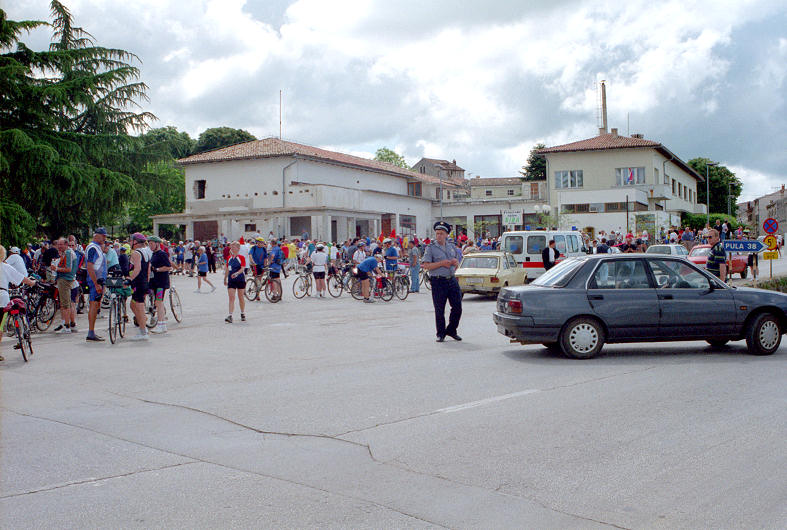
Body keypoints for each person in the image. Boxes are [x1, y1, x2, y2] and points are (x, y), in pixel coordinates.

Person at [422, 221, 463, 342]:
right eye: (437, 233)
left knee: (457, 307)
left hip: (451, 280)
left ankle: (451, 329)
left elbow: (458, 260)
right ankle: (440, 333)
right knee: (439, 309)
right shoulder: (430, 248)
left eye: (441, 233)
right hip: (438, 281)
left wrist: (456, 263)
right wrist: (441, 263)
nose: (438, 235)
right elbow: (425, 265)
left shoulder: (451, 246)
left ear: (446, 235)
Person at [0, 245, 38, 362]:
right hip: (2, 297)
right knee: (0, 325)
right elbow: (21, 278)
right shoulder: (4, 266)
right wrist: (32, 283)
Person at [85, 228, 109, 342]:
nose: (105, 238)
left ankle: (92, 331)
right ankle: (91, 332)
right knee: (94, 304)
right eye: (103, 236)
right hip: (96, 281)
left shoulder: (97, 248)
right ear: (96, 236)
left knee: (95, 304)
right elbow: (90, 266)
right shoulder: (93, 248)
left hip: (99, 281)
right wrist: (96, 284)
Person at [51, 238, 77, 334]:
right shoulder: (68, 253)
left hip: (65, 279)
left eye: (61, 244)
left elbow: (68, 269)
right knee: (67, 303)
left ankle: (67, 326)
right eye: (58, 244)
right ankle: (69, 323)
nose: (59, 246)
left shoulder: (68, 253)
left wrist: (56, 268)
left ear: (66, 244)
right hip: (66, 279)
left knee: (65, 304)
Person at [148, 236, 174, 333]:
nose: (150, 245)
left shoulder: (162, 254)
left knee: (159, 302)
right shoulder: (153, 254)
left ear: (157, 244)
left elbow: (168, 267)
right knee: (157, 302)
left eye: (152, 243)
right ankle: (161, 322)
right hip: (155, 282)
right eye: (149, 243)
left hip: (161, 283)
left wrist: (157, 269)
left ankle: (161, 325)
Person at [127, 233, 151, 340]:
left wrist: (130, 279)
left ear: (135, 242)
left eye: (131, 240)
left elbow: (137, 268)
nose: (130, 242)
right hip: (144, 282)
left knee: (139, 306)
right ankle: (143, 324)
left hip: (138, 282)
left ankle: (143, 331)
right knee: (133, 306)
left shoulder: (136, 253)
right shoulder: (146, 251)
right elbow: (149, 268)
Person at [223, 241, 246, 323]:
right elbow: (227, 269)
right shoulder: (229, 258)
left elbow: (242, 268)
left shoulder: (241, 257)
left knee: (241, 297)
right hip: (231, 280)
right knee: (231, 298)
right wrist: (225, 278)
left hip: (240, 279)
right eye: (231, 247)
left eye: (234, 247)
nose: (232, 249)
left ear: (238, 248)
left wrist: (236, 273)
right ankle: (230, 315)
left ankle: (242, 313)